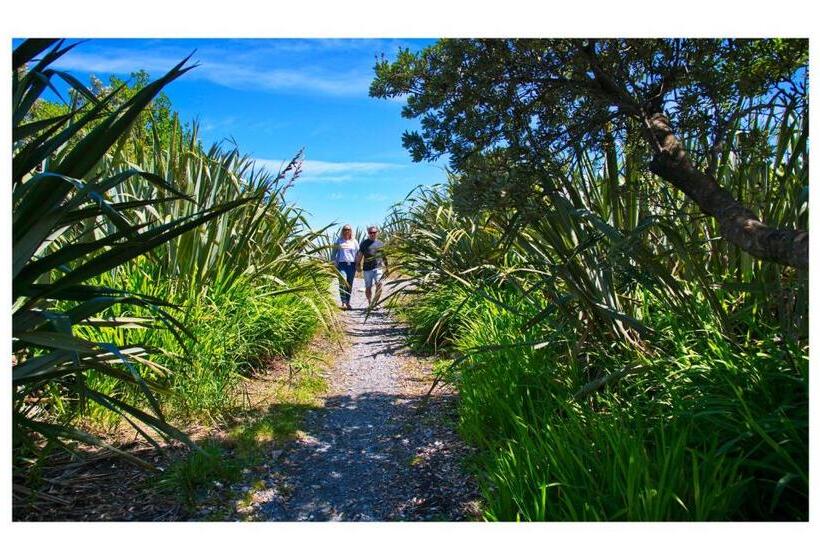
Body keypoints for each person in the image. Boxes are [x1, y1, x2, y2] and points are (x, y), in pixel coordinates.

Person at [356, 225, 388, 307]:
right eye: (371, 232)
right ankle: (370, 303)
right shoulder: (364, 243)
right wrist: (358, 264)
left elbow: (384, 256)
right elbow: (360, 255)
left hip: (378, 267)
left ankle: (375, 303)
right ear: (368, 233)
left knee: (379, 284)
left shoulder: (380, 243)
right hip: (367, 269)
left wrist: (387, 267)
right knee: (368, 288)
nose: (372, 234)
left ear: (377, 233)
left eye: (374, 232)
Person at [330, 224, 358, 310]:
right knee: (343, 281)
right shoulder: (338, 241)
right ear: (343, 231)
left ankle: (348, 302)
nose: (347, 231)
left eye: (348, 229)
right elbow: (333, 253)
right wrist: (333, 263)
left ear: (351, 231)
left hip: (352, 265)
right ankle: (343, 302)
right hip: (342, 265)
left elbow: (358, 254)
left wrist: (358, 264)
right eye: (345, 229)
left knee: (349, 284)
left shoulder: (354, 241)